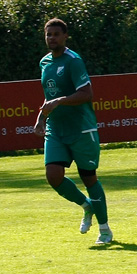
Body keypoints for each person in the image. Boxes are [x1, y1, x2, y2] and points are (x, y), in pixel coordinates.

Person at [33, 18, 112, 245]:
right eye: (49, 34)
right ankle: (87, 206)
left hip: (81, 129)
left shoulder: (74, 61)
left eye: (56, 34)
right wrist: (42, 117)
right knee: (53, 176)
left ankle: (105, 229)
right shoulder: (45, 63)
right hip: (56, 128)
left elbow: (87, 93)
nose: (52, 38)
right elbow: (49, 98)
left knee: (89, 178)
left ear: (65, 36)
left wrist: (57, 101)